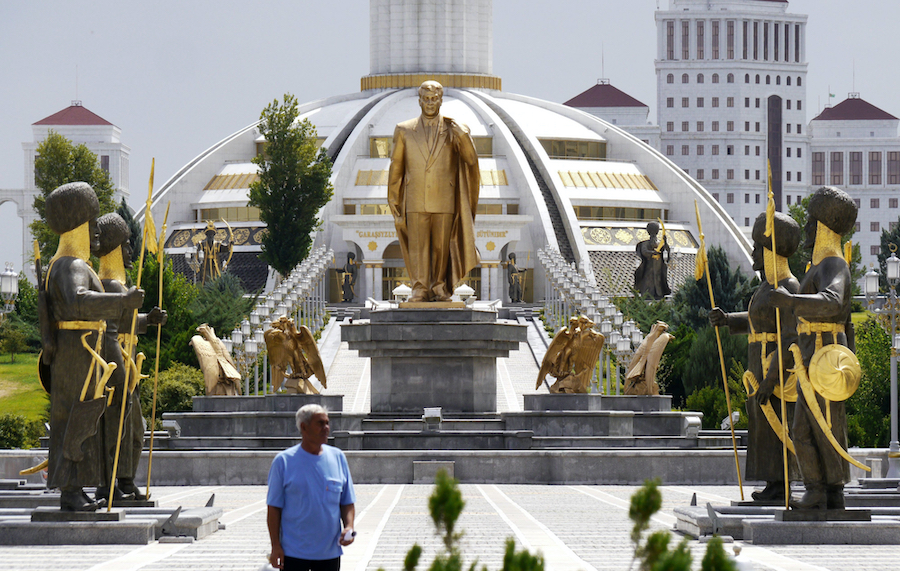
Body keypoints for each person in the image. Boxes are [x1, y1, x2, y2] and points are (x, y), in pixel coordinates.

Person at [42, 182, 144, 511]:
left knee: (81, 420)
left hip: (82, 351)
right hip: (78, 352)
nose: (95, 231)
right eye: (91, 222)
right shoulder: (70, 265)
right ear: (78, 225)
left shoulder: (70, 264)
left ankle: (75, 489)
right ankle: (70, 490)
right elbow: (78, 300)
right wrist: (122, 300)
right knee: (76, 419)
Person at [770, 186, 858, 510]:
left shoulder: (834, 265)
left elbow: (834, 302)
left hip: (825, 355)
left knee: (821, 425)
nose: (806, 228)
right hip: (813, 353)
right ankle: (824, 489)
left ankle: (824, 488)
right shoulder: (816, 267)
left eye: (810, 222)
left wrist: (793, 300)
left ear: (821, 226)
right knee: (811, 425)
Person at [709, 212, 801, 503]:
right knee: (762, 427)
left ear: (772, 251)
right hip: (757, 365)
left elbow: (790, 337)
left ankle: (782, 483)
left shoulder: (789, 289)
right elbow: (756, 320)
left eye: (758, 247)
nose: (753, 253)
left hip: (775, 373)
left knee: (777, 424)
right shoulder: (766, 287)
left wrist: (771, 377)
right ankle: (773, 482)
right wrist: (728, 320)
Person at [95, 213, 167, 503]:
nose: (131, 252)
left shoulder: (118, 287)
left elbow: (125, 322)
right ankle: (112, 483)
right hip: (118, 366)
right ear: (113, 249)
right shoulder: (110, 286)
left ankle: (125, 480)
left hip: (128, 365)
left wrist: (146, 319)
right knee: (120, 427)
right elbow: (109, 330)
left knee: (134, 428)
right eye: (126, 246)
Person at [388, 80, 480, 302]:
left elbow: (470, 161)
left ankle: (439, 287)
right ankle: (420, 288)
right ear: (419, 101)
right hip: (416, 199)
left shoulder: (453, 129)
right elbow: (396, 166)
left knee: (441, 248)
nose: (430, 103)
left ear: (441, 100)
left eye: (434, 99)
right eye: (426, 99)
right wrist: (393, 199)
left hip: (445, 199)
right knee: (418, 247)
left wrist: (463, 137)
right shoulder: (404, 129)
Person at [267, 404, 356, 570]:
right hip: (293, 554)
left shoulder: (338, 458)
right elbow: (274, 508)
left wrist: (349, 527)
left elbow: (347, 502)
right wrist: (275, 546)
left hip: (329, 554)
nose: (326, 428)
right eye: (320, 423)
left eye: (327, 423)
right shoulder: (283, 462)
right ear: (304, 427)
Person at [634, 221, 670, 299]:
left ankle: (659, 294)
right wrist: (653, 252)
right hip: (649, 267)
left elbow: (666, 252)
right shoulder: (645, 243)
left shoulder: (660, 243)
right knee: (648, 281)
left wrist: (666, 242)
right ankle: (647, 295)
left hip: (658, 267)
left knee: (659, 281)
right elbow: (644, 252)